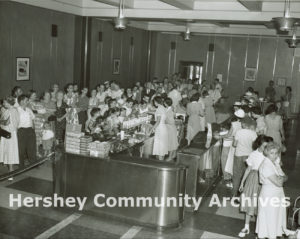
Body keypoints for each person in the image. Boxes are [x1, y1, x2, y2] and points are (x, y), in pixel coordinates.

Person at [238, 135, 273, 238]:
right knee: (249, 202)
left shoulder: (269, 155)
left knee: (261, 206)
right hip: (253, 179)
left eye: (267, 146)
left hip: (265, 180)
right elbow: (248, 169)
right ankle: (246, 226)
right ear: (259, 144)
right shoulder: (253, 154)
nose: (265, 149)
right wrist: (242, 182)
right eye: (264, 146)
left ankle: (260, 230)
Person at [255, 143, 288, 239]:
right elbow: (279, 183)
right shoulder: (266, 165)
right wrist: (282, 178)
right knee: (270, 218)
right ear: (266, 153)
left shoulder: (274, 163)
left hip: (277, 193)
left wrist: (282, 177)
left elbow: (285, 177)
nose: (275, 155)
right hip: (269, 194)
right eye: (271, 153)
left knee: (275, 217)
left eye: (276, 153)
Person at [232, 118, 257, 196]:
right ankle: (244, 194)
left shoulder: (239, 132)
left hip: (238, 155)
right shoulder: (253, 133)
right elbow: (255, 146)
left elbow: (234, 144)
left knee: (236, 176)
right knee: (246, 175)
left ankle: (233, 194)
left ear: (243, 124)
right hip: (249, 156)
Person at [0, 97, 20, 179]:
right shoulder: (12, 110)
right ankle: (10, 171)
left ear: (9, 102)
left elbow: (7, 122)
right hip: (9, 133)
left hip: (8, 133)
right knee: (8, 151)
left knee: (9, 152)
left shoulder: (10, 111)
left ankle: (11, 173)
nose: (3, 104)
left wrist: (1, 122)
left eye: (4, 102)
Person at [17, 94, 37, 168]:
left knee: (31, 147)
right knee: (21, 149)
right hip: (21, 130)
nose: (28, 101)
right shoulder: (17, 110)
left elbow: (32, 119)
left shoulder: (29, 109)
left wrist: (33, 129)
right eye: (26, 100)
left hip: (30, 130)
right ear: (21, 101)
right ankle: (21, 165)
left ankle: (33, 163)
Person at [151, 96, 169, 161]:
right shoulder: (164, 108)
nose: (154, 103)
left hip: (160, 128)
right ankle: (162, 161)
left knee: (160, 147)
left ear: (156, 102)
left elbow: (158, 121)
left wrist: (152, 129)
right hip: (163, 127)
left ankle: (160, 163)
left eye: (154, 102)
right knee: (162, 147)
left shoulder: (159, 109)